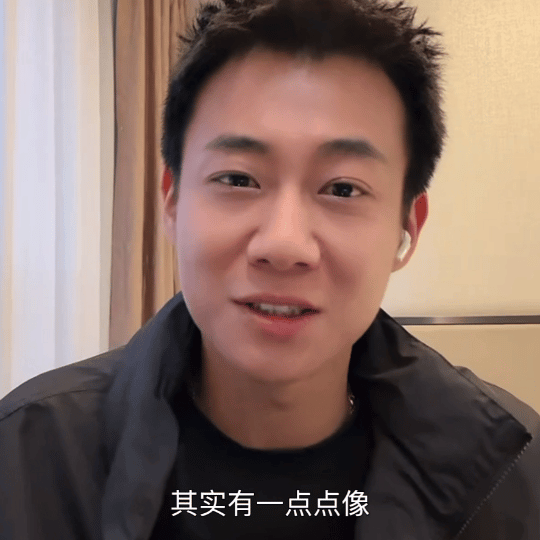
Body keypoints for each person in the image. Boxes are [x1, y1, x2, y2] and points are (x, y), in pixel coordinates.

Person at [0, 0, 538, 538]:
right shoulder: (29, 455)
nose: (284, 244)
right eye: (238, 179)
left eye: (343, 188)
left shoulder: (513, 477)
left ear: (408, 228)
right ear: (172, 200)